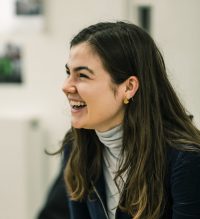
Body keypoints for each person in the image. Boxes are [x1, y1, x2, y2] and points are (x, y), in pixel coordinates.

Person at [43, 21, 200, 219]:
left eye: (82, 75)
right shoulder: (77, 146)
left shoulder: (186, 160)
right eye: (68, 73)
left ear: (128, 87)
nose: (66, 86)